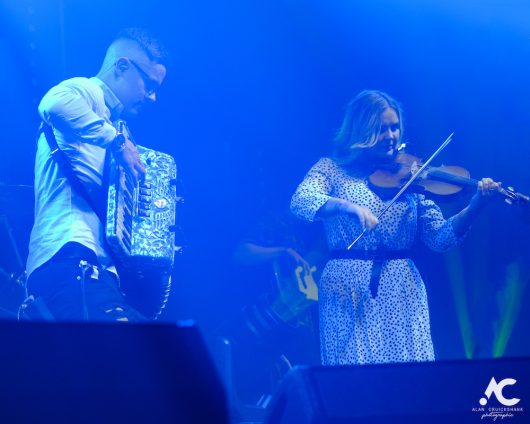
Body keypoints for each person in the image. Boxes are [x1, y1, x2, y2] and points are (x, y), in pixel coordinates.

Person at [290, 89, 501, 365]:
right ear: (360, 130)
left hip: (402, 287)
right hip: (346, 288)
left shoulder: (412, 176)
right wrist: (347, 207)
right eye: (381, 129)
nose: (391, 136)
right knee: (353, 372)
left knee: (406, 374)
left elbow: (441, 237)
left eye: (395, 127)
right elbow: (301, 200)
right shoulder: (331, 169)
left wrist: (476, 206)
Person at [24, 28, 169, 321]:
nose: (152, 97)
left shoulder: (113, 122)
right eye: (149, 84)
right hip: (68, 255)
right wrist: (117, 142)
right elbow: (53, 104)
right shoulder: (86, 90)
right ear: (123, 66)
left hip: (94, 267)